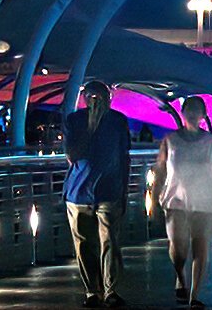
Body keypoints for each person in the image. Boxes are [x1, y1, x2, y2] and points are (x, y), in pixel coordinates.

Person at [151, 97, 212, 309]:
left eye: (198, 110)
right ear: (183, 112)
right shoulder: (170, 140)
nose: (193, 114)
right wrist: (154, 197)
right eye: (190, 110)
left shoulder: (211, 141)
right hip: (176, 200)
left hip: (206, 201)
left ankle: (194, 295)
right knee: (178, 250)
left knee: (200, 247)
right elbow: (160, 170)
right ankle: (180, 275)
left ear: (204, 115)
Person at [63, 81, 132, 308]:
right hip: (78, 193)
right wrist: (91, 127)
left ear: (109, 99)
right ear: (84, 99)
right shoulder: (74, 121)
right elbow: (72, 155)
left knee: (109, 241)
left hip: (109, 190)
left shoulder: (118, 121)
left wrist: (124, 191)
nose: (97, 102)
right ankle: (92, 291)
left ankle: (110, 290)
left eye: (100, 97)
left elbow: (124, 157)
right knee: (84, 244)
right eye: (92, 97)